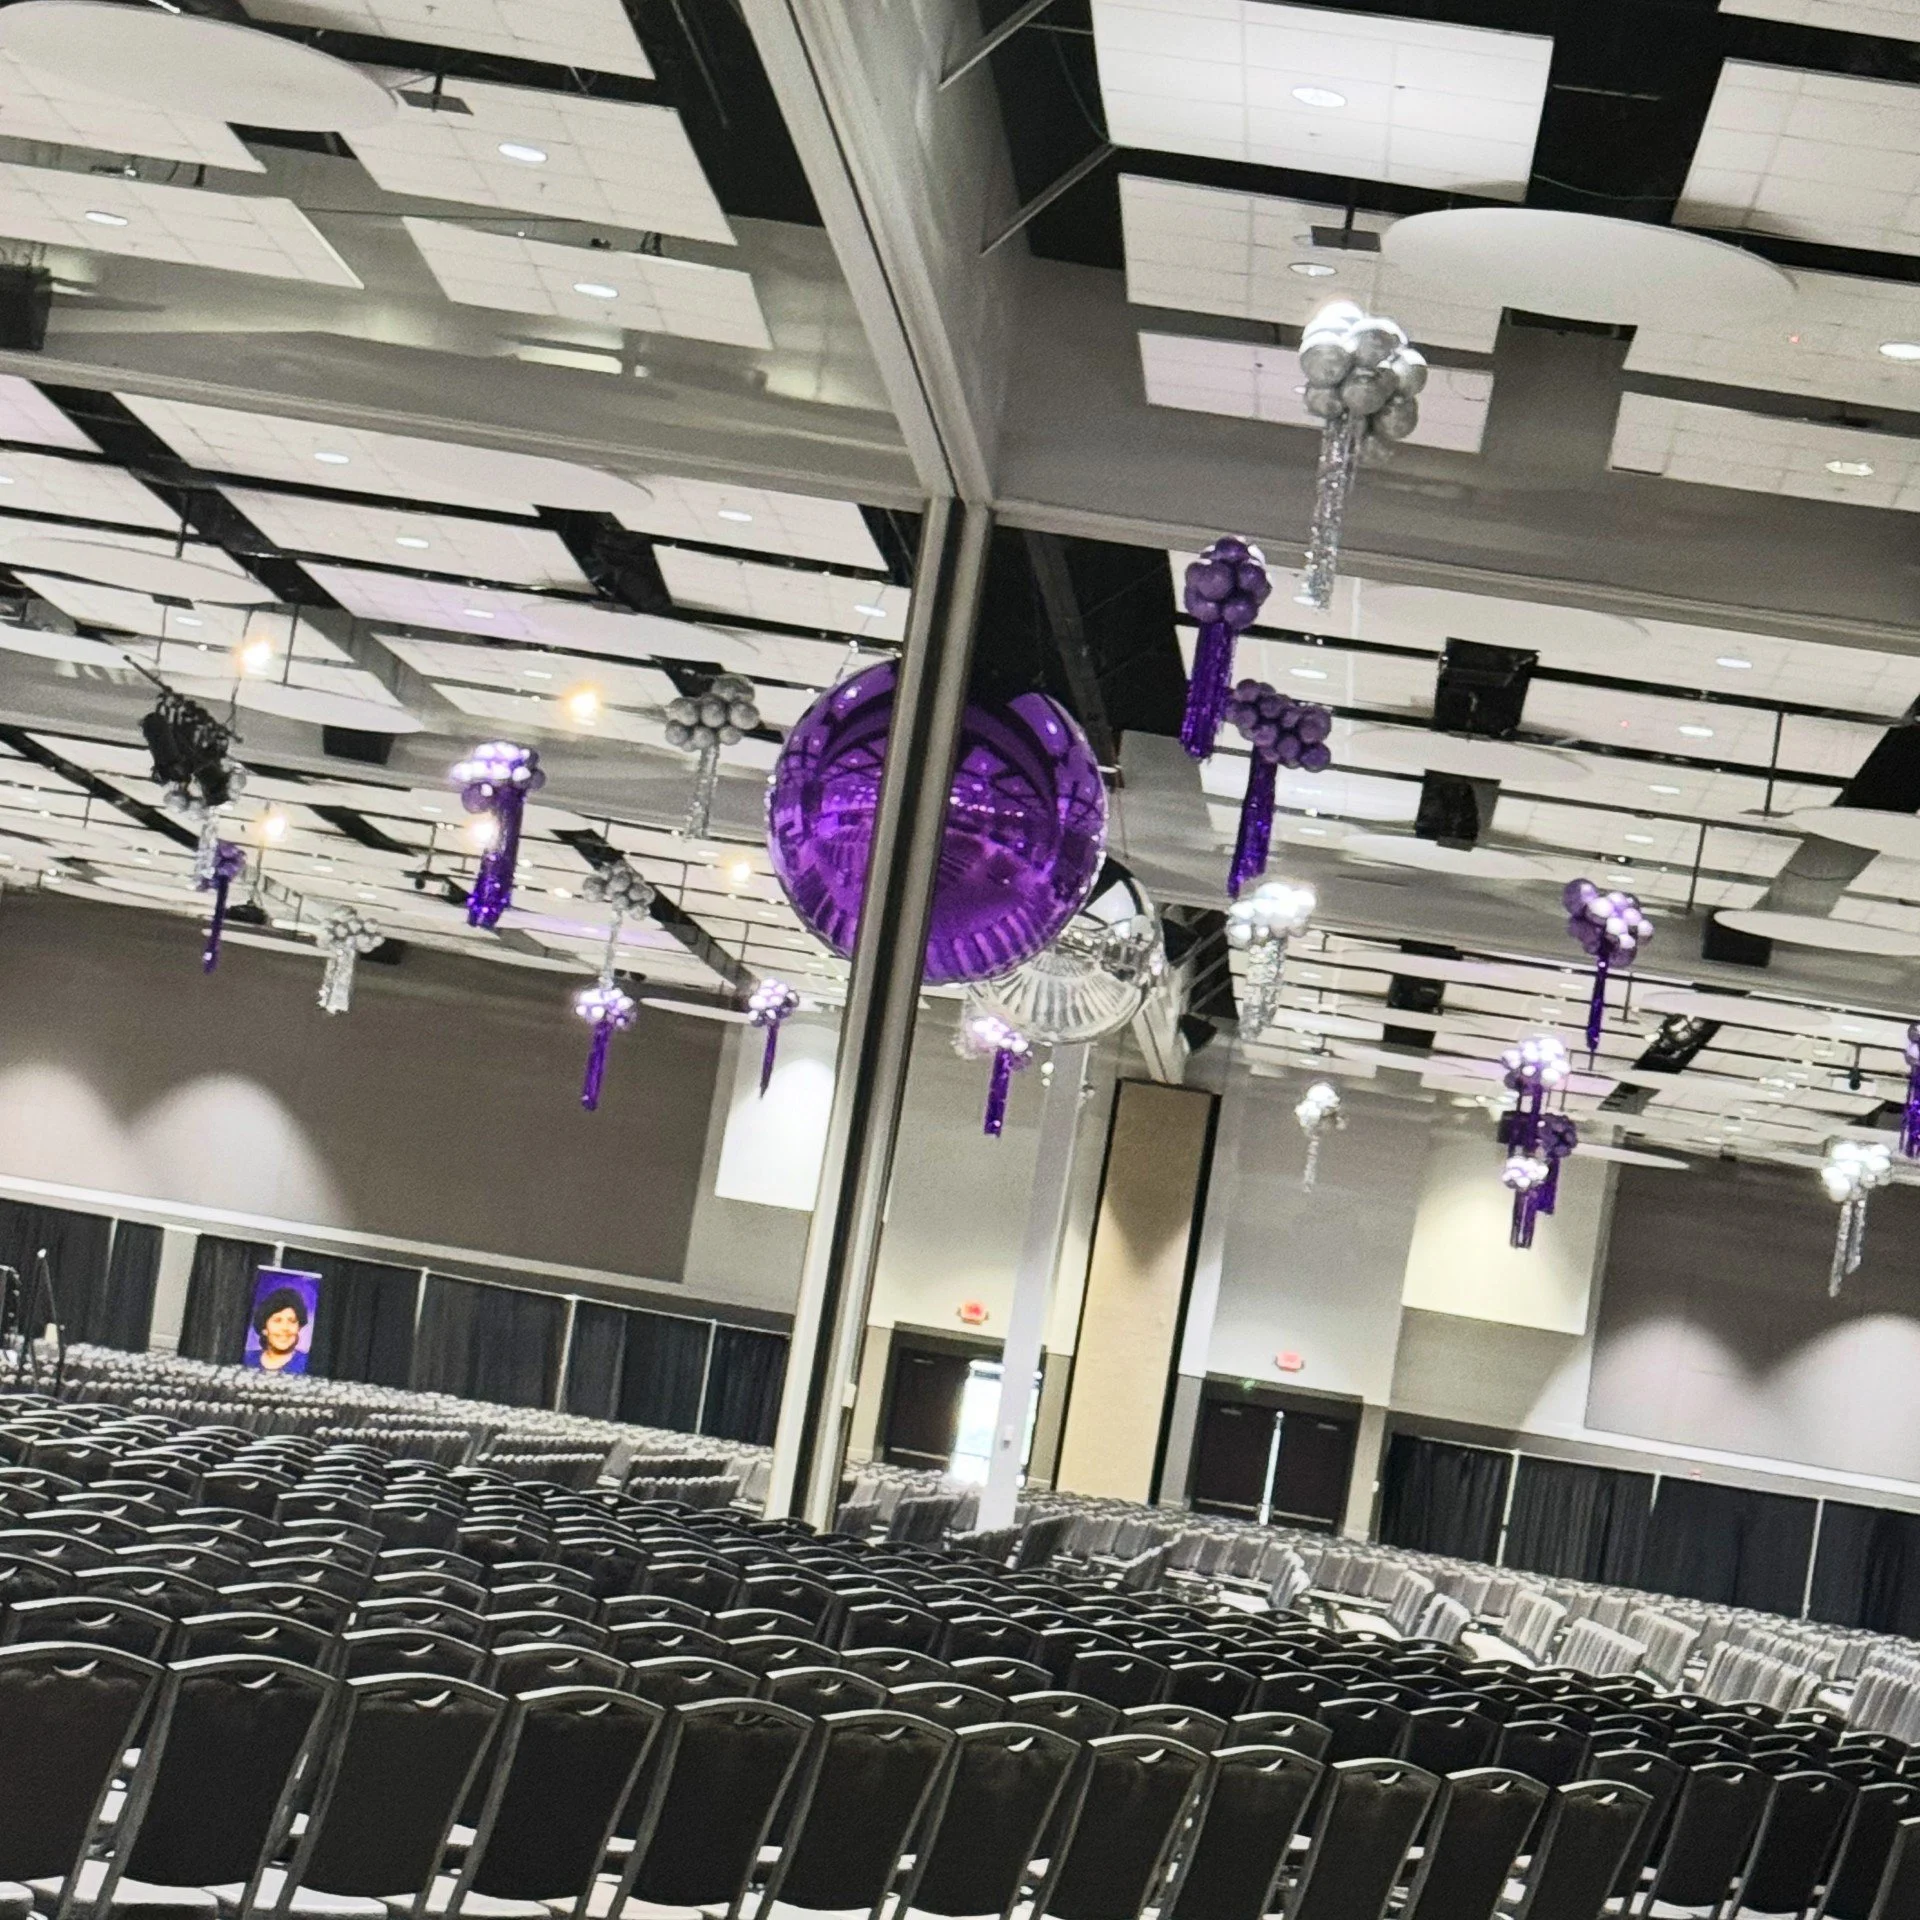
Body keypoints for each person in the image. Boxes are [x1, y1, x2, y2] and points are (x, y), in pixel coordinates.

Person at [250, 1285, 310, 1375]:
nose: (285, 1328)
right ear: (264, 1328)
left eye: (292, 1321)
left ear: (299, 1328)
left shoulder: (308, 1364)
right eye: (277, 1321)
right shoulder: (247, 1359)